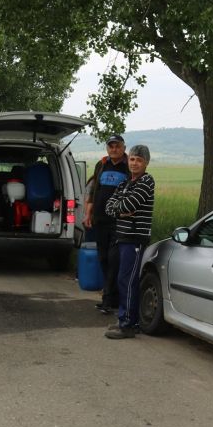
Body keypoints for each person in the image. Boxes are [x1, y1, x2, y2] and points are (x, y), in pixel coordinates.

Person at [103, 144, 155, 339]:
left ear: (146, 163)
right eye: (132, 159)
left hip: (134, 239)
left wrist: (121, 208)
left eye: (139, 160)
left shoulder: (147, 181)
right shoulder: (125, 183)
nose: (134, 163)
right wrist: (121, 211)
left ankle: (129, 325)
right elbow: (109, 206)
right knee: (121, 279)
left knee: (128, 280)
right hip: (122, 237)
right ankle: (123, 318)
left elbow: (130, 204)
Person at [82, 134, 129, 315]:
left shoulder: (128, 166)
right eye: (111, 146)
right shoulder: (101, 165)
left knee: (113, 260)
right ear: (107, 148)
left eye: (117, 146)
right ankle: (112, 298)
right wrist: (88, 213)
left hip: (119, 222)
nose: (114, 149)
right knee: (103, 258)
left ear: (124, 148)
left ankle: (108, 300)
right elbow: (94, 191)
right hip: (100, 220)